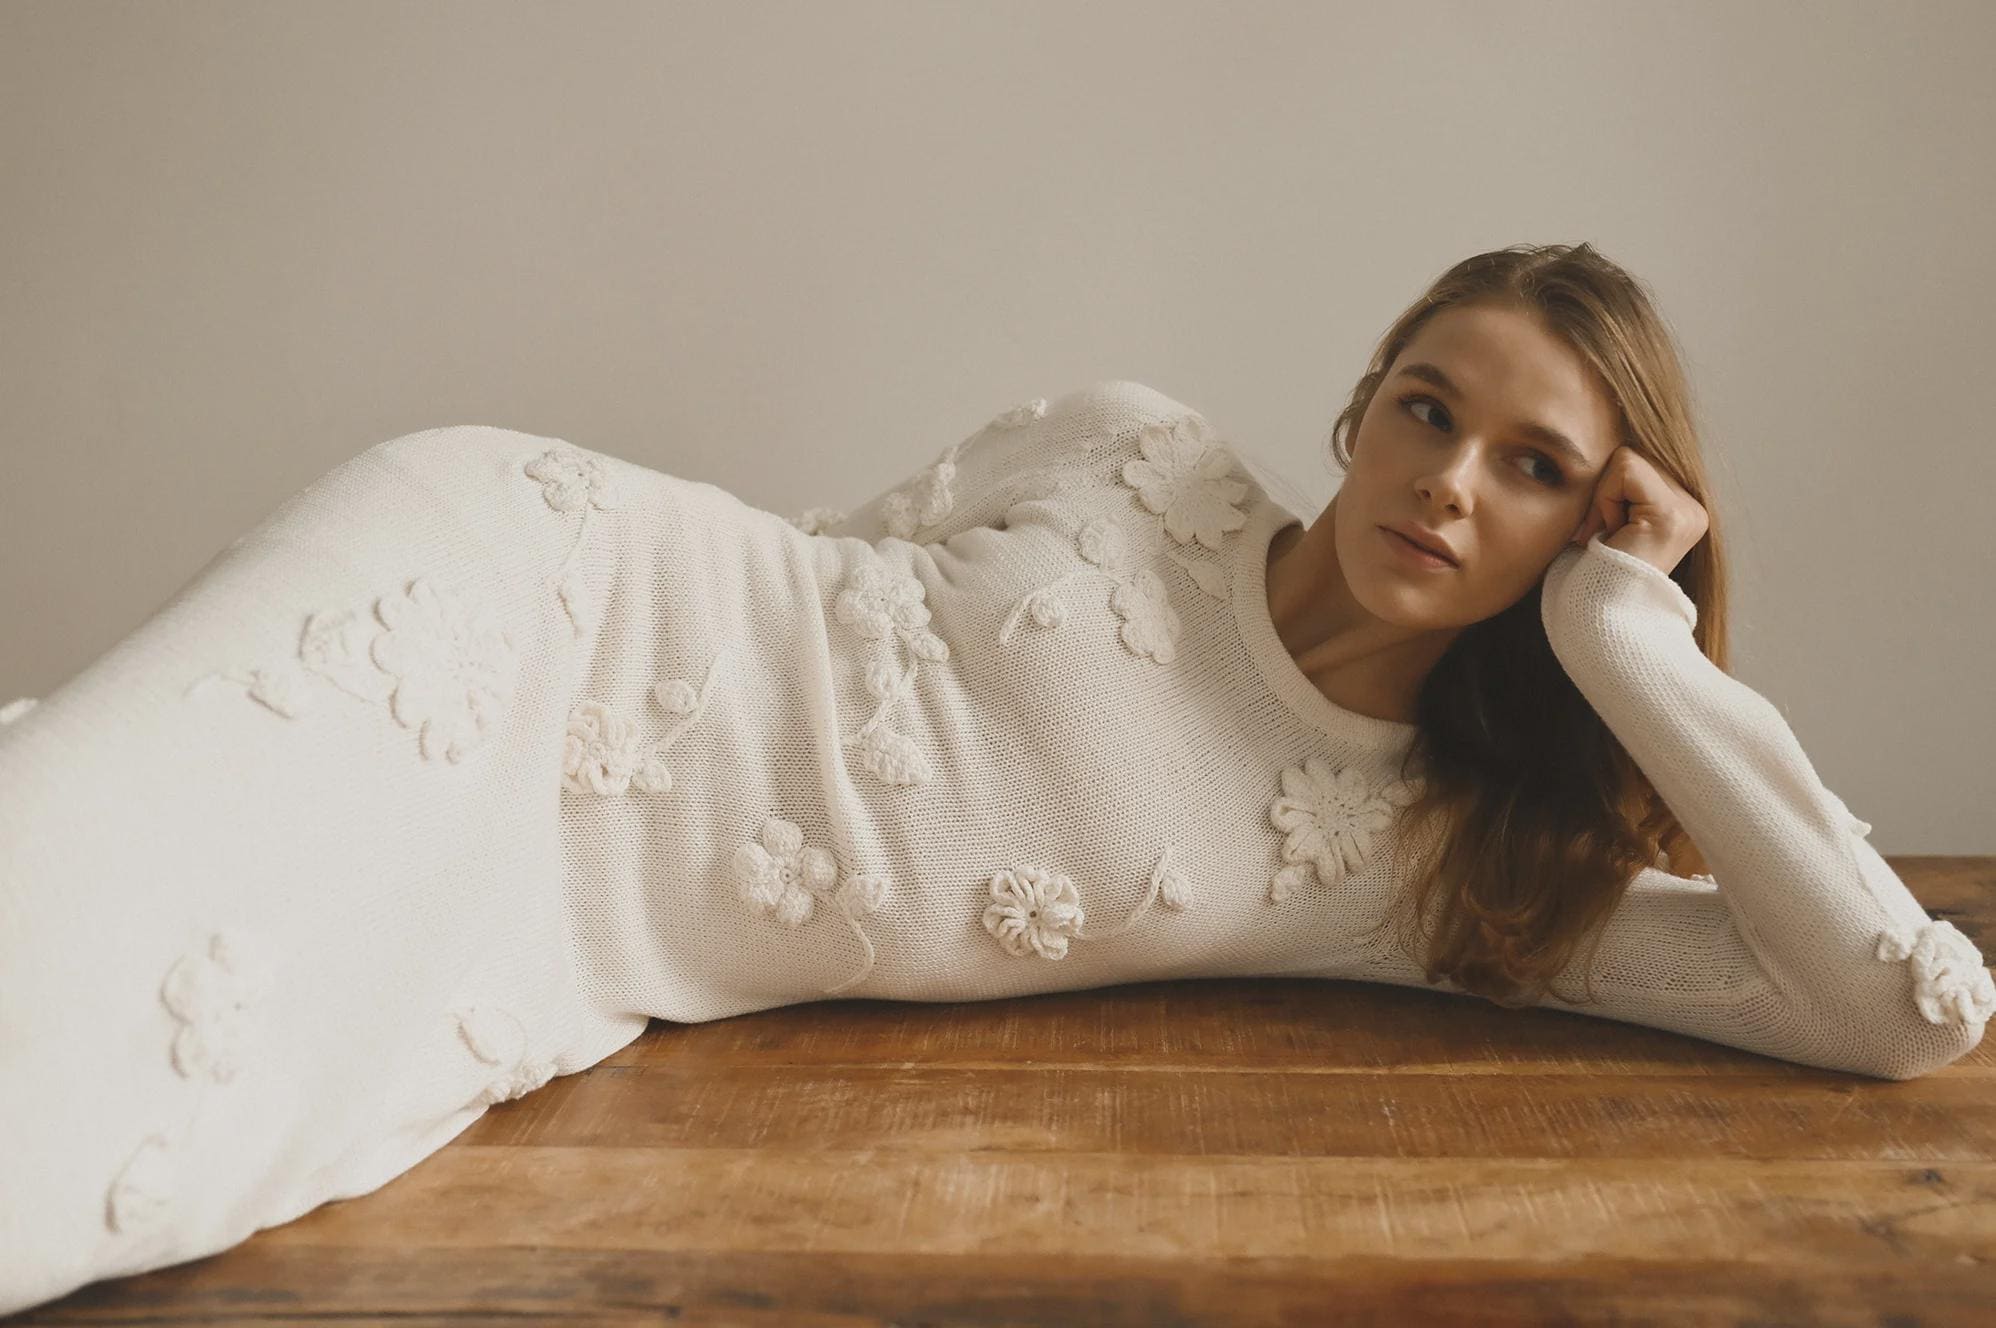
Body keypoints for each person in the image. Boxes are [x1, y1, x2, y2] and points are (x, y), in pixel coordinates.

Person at [1, 242, 1987, 1313]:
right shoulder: (1133, 443)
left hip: (570, 934)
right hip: (519, 578)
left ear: (1588, 527)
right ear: (1359, 409)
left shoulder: (1419, 863)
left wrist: (1629, 645)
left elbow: (1893, 1012)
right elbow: (807, 571)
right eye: (1425, 408)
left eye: (1534, 469)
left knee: (153, 1104)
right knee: (86, 850)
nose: (1449, 481)